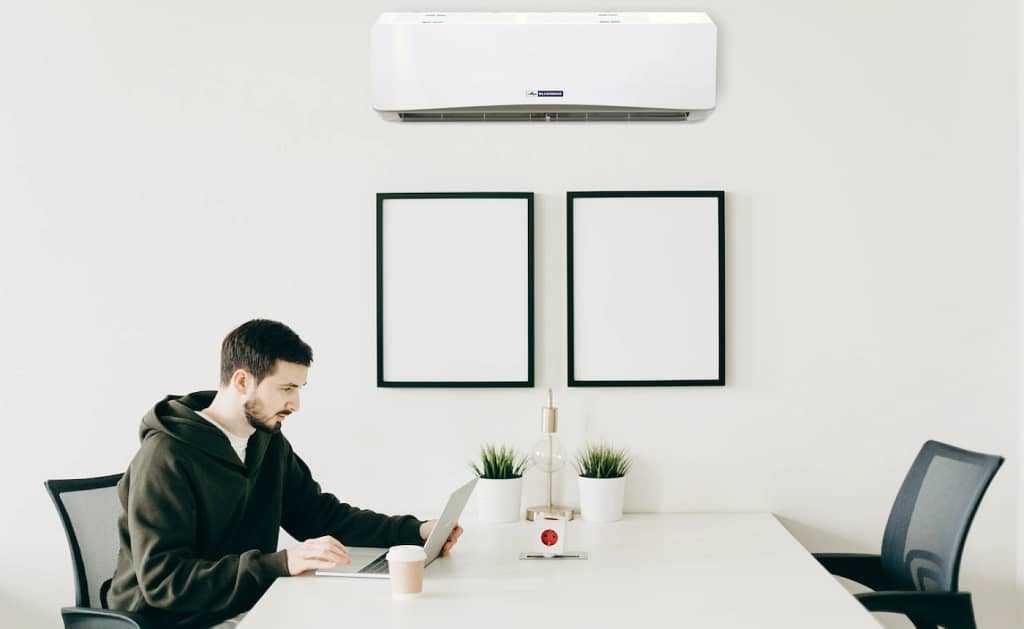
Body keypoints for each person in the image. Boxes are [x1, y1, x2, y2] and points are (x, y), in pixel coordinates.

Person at [108, 319, 462, 628]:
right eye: (286, 388)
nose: (295, 404)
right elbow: (164, 582)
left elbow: (320, 516)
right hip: (173, 621)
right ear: (243, 381)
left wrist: (413, 531)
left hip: (247, 607)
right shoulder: (165, 457)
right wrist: (281, 563)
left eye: (299, 389)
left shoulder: (267, 441)